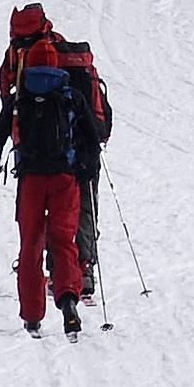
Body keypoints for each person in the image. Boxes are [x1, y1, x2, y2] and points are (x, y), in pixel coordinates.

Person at [0, 35, 96, 336]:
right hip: (65, 179)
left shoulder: (19, 95)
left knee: (30, 245)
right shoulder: (71, 94)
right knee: (63, 242)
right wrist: (87, 168)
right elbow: (92, 136)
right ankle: (69, 301)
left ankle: (32, 316)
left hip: (32, 180)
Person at [51, 35, 114, 292]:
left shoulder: (55, 80)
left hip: (58, 155)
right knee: (86, 209)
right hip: (89, 154)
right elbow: (104, 121)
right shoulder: (91, 79)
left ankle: (57, 269)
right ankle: (86, 267)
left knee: (58, 212)